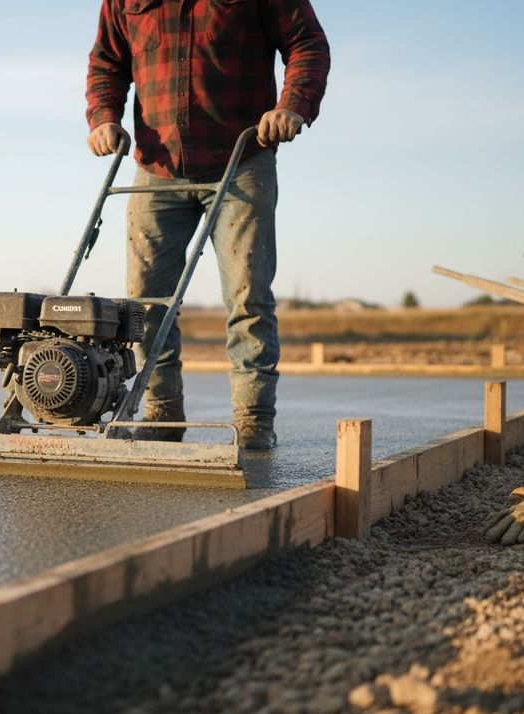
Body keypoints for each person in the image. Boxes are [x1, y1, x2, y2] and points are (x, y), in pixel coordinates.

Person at [85, 0, 330, 450]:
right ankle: (161, 414)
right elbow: (107, 61)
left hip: (242, 158)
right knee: (146, 302)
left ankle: (254, 422)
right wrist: (104, 118)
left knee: (247, 293)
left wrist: (292, 106)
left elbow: (306, 43)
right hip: (157, 165)